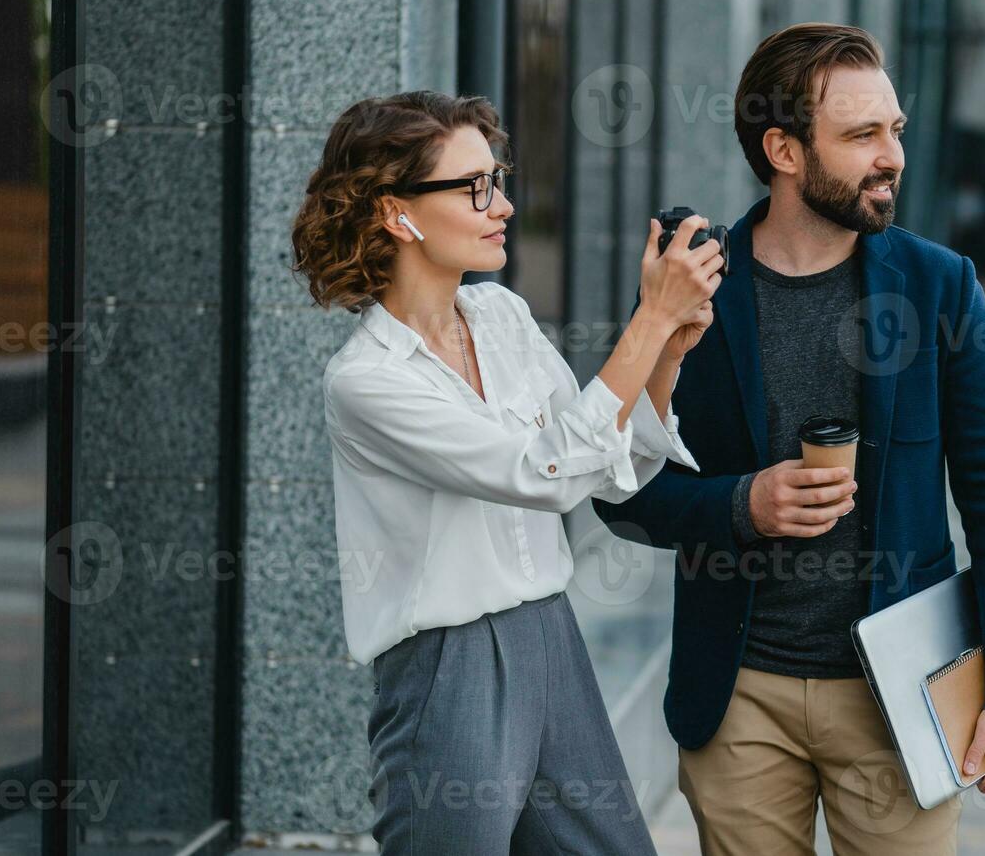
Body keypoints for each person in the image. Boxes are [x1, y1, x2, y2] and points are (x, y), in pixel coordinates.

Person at [593, 23, 985, 855]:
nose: (892, 156)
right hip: (738, 699)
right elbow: (622, 496)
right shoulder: (695, 286)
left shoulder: (940, 285)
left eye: (896, 130)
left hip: (903, 696)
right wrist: (744, 504)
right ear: (785, 150)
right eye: (861, 135)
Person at [289, 90, 723, 854]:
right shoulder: (366, 382)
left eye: (498, 179)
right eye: (475, 187)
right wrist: (647, 321)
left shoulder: (501, 316)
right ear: (398, 214)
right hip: (448, 670)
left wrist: (667, 355)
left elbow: (611, 472)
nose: (504, 206)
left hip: (550, 638)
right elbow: (547, 474)